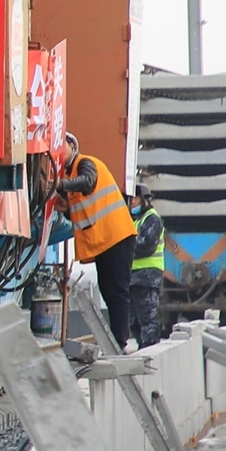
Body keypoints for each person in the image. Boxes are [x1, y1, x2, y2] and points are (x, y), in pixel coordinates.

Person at [57, 133, 140, 350]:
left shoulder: (86, 164)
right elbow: (80, 210)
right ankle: (115, 340)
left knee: (117, 291)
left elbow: (88, 182)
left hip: (116, 236)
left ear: (72, 146)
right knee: (109, 291)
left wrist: (60, 185)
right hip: (105, 241)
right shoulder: (73, 174)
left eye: (61, 145)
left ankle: (119, 342)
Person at [128, 183, 167, 347]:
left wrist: (124, 249)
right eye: (130, 199)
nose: (132, 203)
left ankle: (150, 350)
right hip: (134, 278)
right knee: (134, 321)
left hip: (147, 277)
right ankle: (142, 347)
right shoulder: (135, 220)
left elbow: (146, 246)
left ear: (144, 200)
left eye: (135, 199)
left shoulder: (151, 218)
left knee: (148, 320)